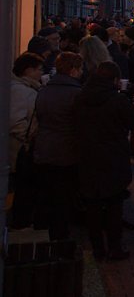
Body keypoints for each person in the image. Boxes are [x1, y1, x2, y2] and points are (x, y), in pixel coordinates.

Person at [75, 61, 134, 261]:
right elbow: (130, 122)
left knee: (92, 206)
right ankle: (115, 247)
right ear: (115, 80)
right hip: (113, 157)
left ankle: (98, 248)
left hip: (88, 156)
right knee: (114, 205)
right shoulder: (117, 100)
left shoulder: (81, 97)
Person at [32, 52, 84, 240]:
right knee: (63, 196)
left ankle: (42, 232)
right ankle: (59, 237)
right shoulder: (76, 94)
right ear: (73, 70)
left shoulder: (44, 90)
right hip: (66, 151)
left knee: (46, 193)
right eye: (79, 69)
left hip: (44, 147)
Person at [9, 52, 45, 228]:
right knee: (22, 190)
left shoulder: (26, 88)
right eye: (39, 69)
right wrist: (29, 136)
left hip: (21, 150)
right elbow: (15, 121)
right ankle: (18, 223)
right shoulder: (21, 91)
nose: (41, 73)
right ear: (28, 70)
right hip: (19, 151)